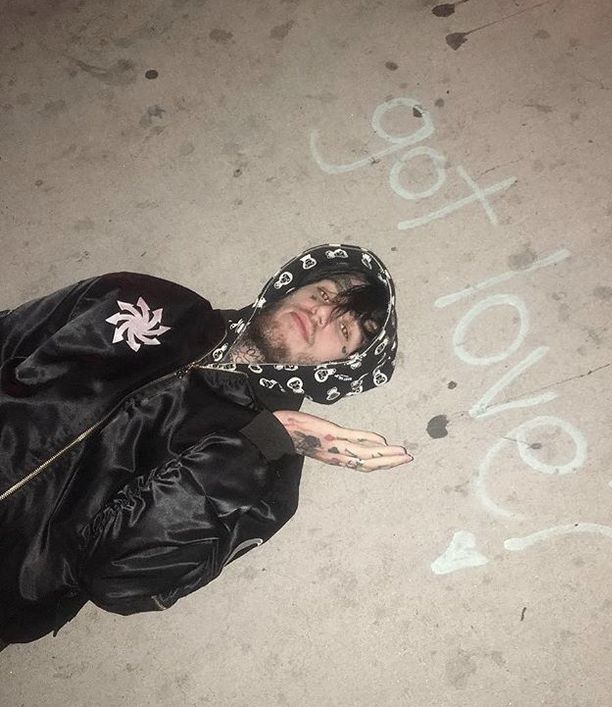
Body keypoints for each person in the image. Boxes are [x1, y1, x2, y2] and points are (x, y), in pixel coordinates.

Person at [0, 243, 411, 644]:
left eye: (343, 328)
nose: (322, 312)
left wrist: (259, 443)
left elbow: (117, 580)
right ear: (291, 285)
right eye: (323, 293)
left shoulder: (269, 486)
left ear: (340, 368)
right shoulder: (141, 299)